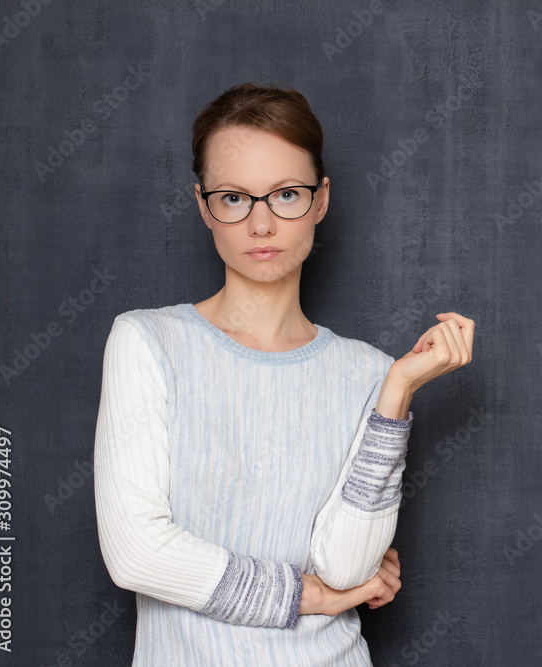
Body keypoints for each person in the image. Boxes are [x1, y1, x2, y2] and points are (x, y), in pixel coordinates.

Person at [93, 82, 474, 665]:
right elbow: (137, 553)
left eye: (286, 194)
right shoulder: (148, 342)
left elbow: (349, 566)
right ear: (203, 206)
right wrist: (307, 595)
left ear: (321, 200)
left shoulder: (370, 372)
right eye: (234, 198)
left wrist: (396, 392)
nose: (261, 225)